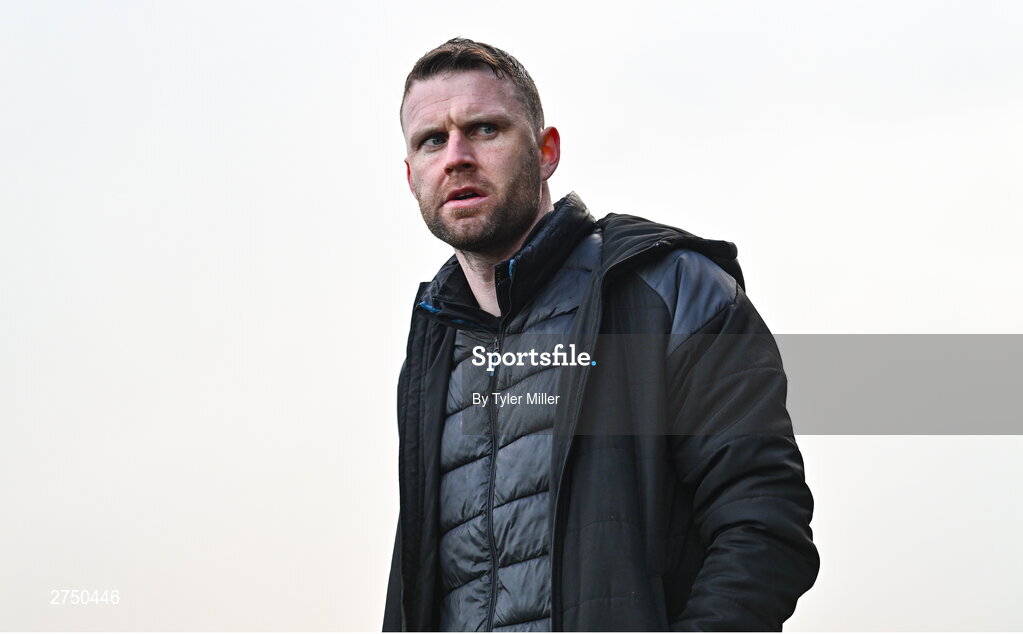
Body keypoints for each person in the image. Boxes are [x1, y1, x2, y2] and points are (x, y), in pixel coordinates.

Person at [384, 38, 819, 632]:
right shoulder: (431, 353)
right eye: (432, 140)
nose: (456, 156)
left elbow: (765, 524)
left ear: (546, 151)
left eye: (485, 129)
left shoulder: (673, 290)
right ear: (412, 177)